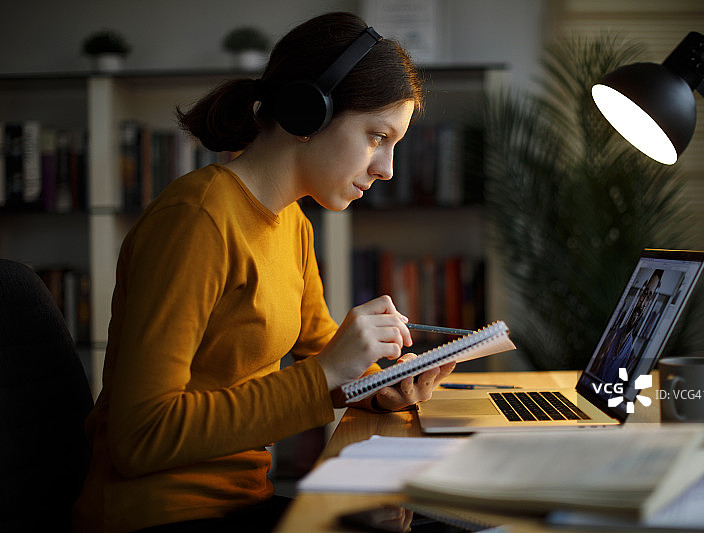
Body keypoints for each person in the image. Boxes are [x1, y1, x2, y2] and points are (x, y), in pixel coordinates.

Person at [72, 12, 455, 533]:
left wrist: (383, 384)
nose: (386, 168)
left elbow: (324, 353)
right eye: (375, 136)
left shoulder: (292, 222)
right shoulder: (197, 219)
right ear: (307, 114)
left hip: (242, 503)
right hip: (163, 515)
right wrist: (328, 375)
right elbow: (141, 437)